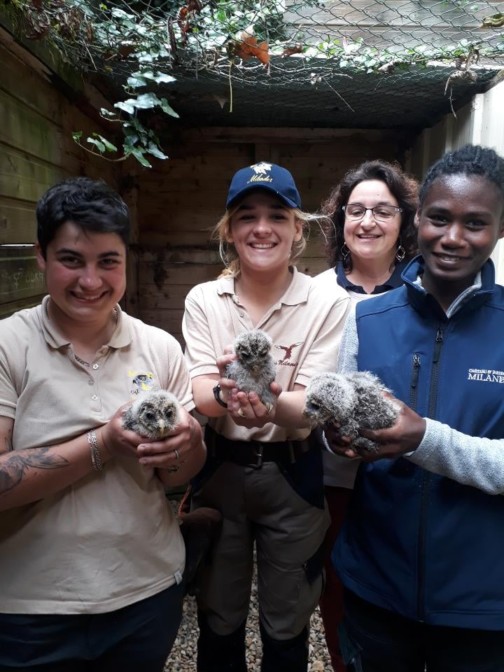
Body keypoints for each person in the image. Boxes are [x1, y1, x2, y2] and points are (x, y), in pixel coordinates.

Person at [0, 177, 207, 672]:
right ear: (41, 257)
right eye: (72, 259)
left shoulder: (159, 347)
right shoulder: (9, 344)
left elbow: (178, 478)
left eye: (107, 261)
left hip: (145, 592)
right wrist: (104, 443)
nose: (90, 281)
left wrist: (190, 442)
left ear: (125, 261)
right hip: (31, 608)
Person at [327, 144, 504, 671]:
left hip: (482, 603)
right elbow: (338, 413)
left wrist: (425, 439)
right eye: (439, 218)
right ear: (418, 219)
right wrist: (336, 437)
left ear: (497, 229)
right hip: (376, 586)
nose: (452, 238)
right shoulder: (369, 318)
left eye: (475, 222)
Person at [181, 161, 351, 672]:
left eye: (277, 215)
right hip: (221, 468)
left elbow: (314, 401)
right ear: (228, 231)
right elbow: (198, 389)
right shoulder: (204, 299)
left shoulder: (328, 300)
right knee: (219, 611)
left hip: (293, 473)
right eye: (246, 216)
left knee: (288, 615)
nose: (262, 228)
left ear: (298, 228)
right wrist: (228, 394)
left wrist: (270, 404)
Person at [312, 159, 418, 672]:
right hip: (333, 474)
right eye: (356, 210)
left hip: (403, 472)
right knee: (336, 583)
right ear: (340, 220)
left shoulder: (423, 291)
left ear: (404, 221)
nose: (368, 221)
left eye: (382, 210)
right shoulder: (314, 292)